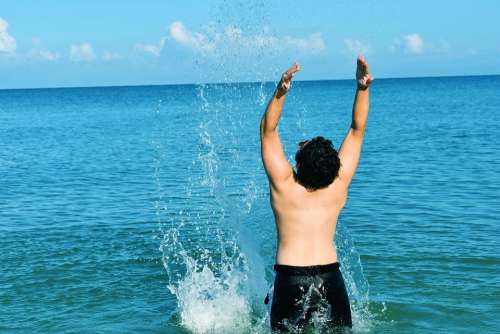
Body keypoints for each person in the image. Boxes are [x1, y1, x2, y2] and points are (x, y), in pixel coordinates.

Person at [260, 56, 373, 332]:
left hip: (290, 279)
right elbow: (357, 131)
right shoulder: (338, 185)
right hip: (329, 278)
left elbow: (267, 130)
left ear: (298, 163)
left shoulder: (285, 187)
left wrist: (281, 91)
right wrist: (362, 88)